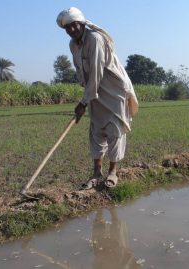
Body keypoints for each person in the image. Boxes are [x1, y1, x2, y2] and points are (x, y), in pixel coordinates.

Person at [57, 7, 138, 189]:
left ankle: (112, 172)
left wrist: (83, 102)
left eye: (74, 25)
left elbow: (96, 72)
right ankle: (96, 173)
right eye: (67, 28)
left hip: (113, 90)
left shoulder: (95, 38)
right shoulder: (73, 45)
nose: (71, 30)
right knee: (96, 131)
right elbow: (81, 72)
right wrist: (86, 95)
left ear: (82, 24)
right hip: (94, 91)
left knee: (114, 131)